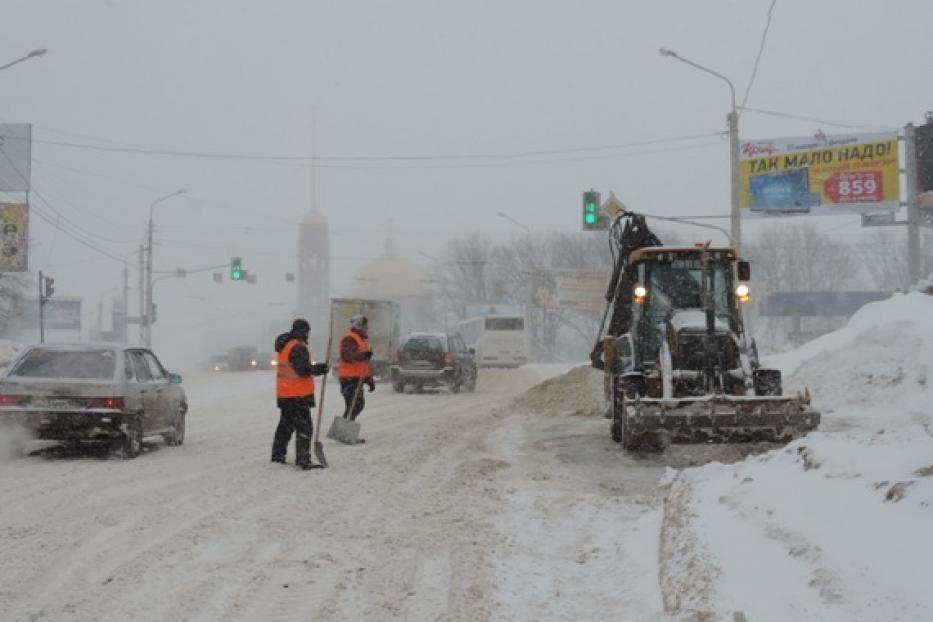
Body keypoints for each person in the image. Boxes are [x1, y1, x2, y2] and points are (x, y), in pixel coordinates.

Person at [271, 318, 329, 469]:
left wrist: (315, 368)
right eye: (307, 332)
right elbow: (303, 370)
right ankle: (303, 459)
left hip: (285, 394)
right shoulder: (297, 347)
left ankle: (278, 455)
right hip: (298, 395)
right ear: (303, 332)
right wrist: (318, 369)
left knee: (285, 426)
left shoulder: (285, 345)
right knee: (304, 427)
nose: (308, 335)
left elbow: (298, 367)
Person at [338, 314, 374, 440]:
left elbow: (364, 364)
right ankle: (344, 434)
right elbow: (347, 356)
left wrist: (369, 379)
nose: (367, 328)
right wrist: (362, 355)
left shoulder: (361, 339)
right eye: (365, 325)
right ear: (359, 326)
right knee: (354, 405)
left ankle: (345, 433)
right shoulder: (350, 339)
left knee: (356, 405)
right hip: (348, 378)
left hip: (356, 378)